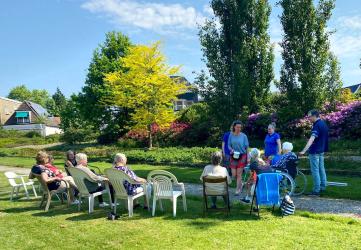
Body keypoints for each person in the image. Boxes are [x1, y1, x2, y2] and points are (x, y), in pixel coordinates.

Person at [300, 109, 329, 196]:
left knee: (315, 171)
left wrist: (303, 151)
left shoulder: (316, 125)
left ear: (314, 116)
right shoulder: (323, 124)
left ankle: (316, 190)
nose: (309, 118)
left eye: (309, 117)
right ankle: (323, 187)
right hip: (321, 150)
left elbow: (312, 139)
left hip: (315, 151)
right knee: (321, 169)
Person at [228, 120, 249, 195]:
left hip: (242, 155)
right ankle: (241, 184)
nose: (239, 128)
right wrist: (231, 149)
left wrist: (248, 157)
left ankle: (238, 190)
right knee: (234, 174)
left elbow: (247, 147)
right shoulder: (231, 135)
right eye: (237, 127)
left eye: (240, 127)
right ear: (234, 127)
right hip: (233, 155)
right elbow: (229, 145)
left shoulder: (244, 136)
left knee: (239, 174)